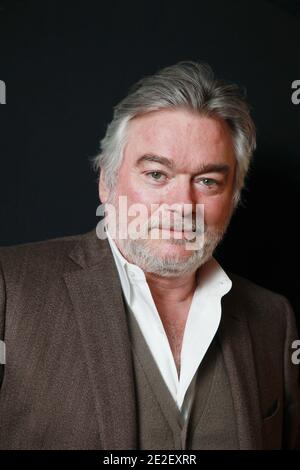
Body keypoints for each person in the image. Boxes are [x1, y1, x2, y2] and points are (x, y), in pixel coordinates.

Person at [0, 62, 299, 450]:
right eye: (157, 174)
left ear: (233, 198)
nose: (182, 205)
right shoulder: (11, 287)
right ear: (106, 182)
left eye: (207, 181)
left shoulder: (274, 320)